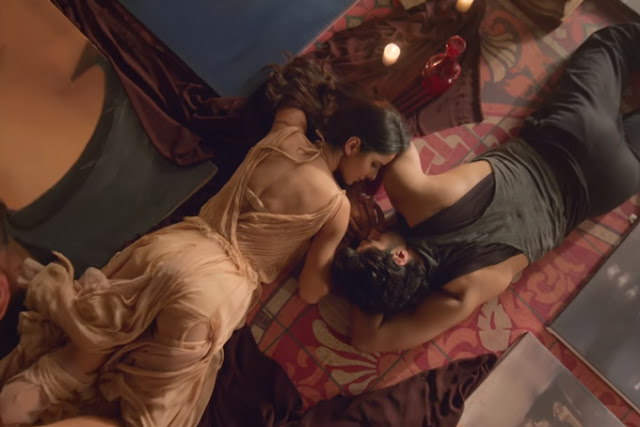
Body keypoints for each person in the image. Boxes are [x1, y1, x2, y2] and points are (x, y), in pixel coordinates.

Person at [0, 56, 410, 426]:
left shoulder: (286, 132)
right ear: (352, 145)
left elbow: (297, 83)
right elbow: (310, 289)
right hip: (215, 294)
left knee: (75, 359)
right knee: (140, 418)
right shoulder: (336, 208)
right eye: (375, 164)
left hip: (173, 248)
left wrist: (337, 99)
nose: (372, 177)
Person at [331, 22, 640, 353]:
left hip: (612, 186)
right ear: (401, 256)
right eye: (372, 242)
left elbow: (368, 340)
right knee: (615, 42)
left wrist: (376, 291)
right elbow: (386, 117)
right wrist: (354, 200)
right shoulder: (418, 200)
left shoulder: (460, 294)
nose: (370, 233)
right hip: (573, 132)